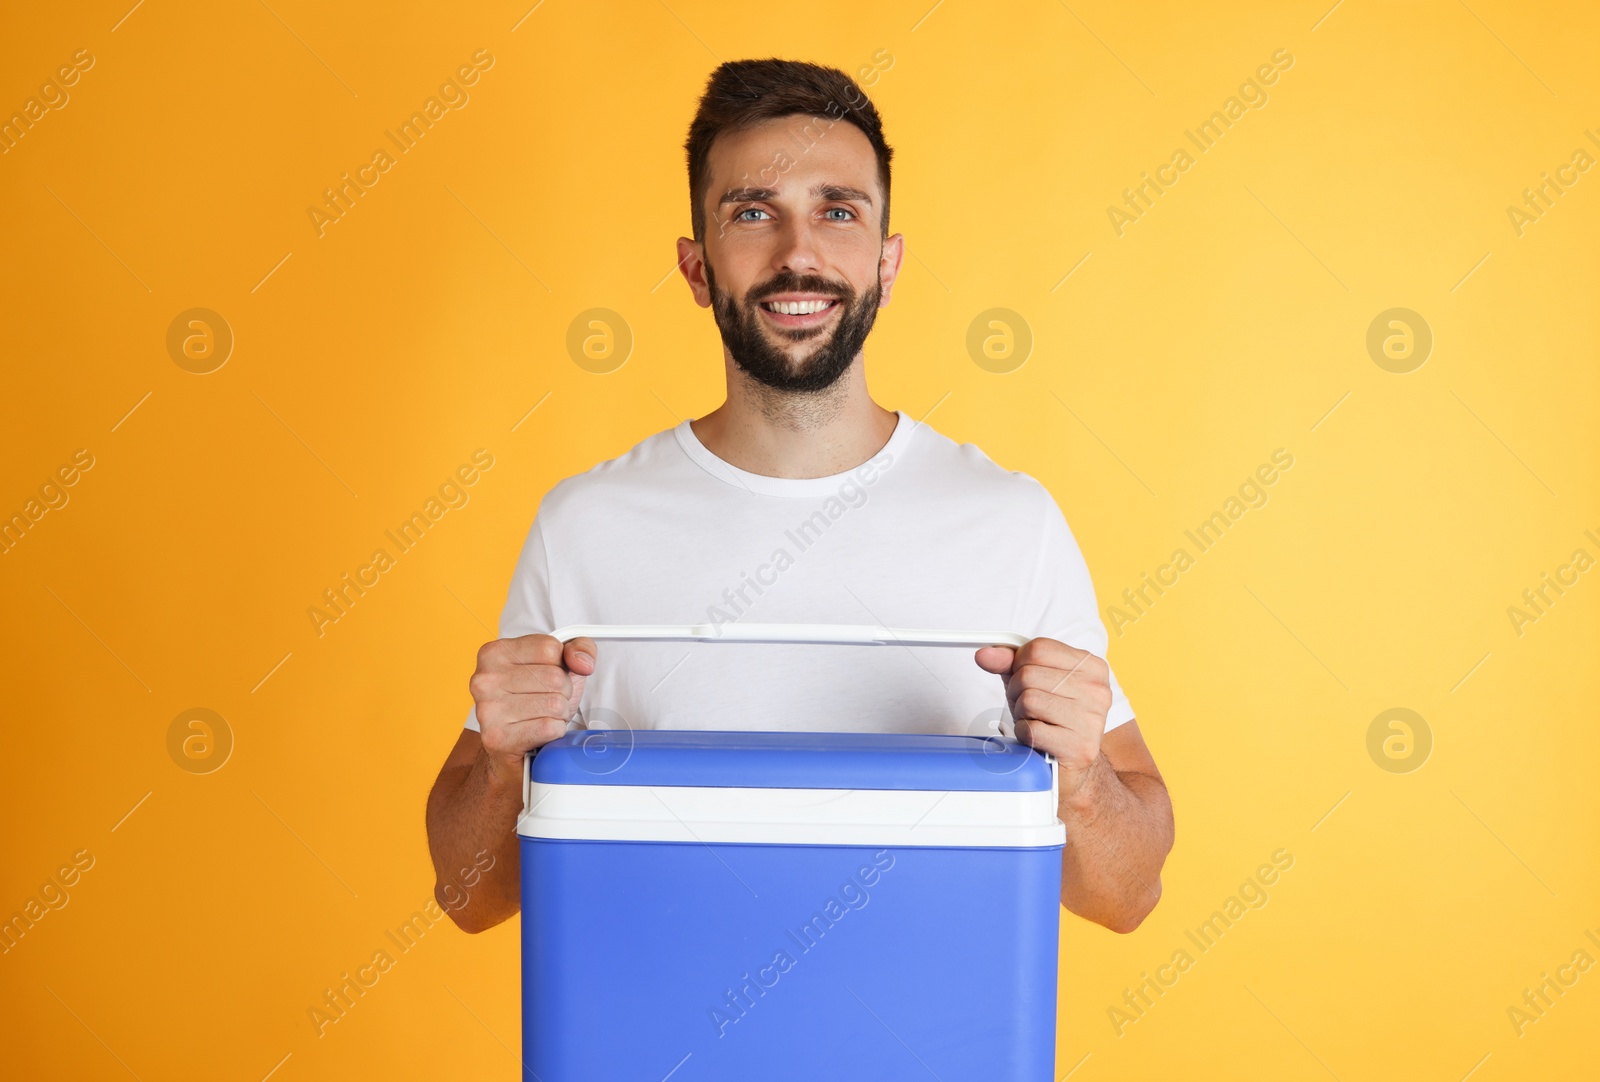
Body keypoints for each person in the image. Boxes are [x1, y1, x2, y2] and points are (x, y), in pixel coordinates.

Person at [425, 57, 1173, 935]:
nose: (799, 254)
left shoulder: (1011, 523)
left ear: (887, 263)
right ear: (698, 268)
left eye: (838, 211)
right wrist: (505, 766)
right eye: (752, 213)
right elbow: (467, 897)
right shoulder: (585, 525)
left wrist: (1080, 781)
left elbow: (1126, 898)